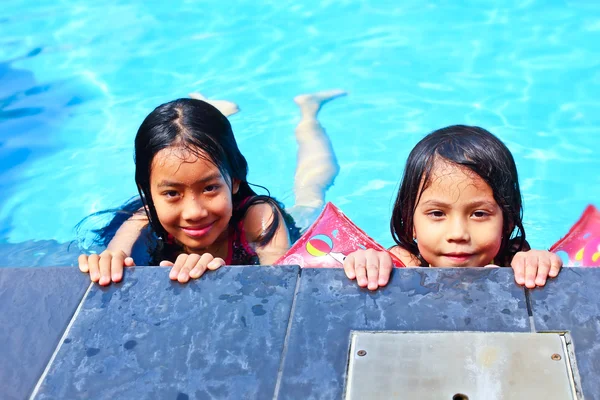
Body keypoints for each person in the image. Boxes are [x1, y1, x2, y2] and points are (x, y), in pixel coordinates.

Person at [78, 90, 346, 286]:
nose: (194, 212)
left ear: (236, 180)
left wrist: (214, 276)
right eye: (171, 193)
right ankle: (205, 109)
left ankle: (309, 112)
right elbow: (115, 257)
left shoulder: (261, 219)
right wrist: (105, 264)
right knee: (190, 141)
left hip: (272, 227)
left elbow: (278, 285)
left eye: (209, 188)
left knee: (311, 191)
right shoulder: (142, 219)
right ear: (147, 192)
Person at [343, 125, 562, 291]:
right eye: (437, 213)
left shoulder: (511, 259)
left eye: (479, 213)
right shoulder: (404, 264)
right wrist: (367, 263)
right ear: (410, 222)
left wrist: (538, 263)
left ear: (508, 222)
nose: (458, 234)